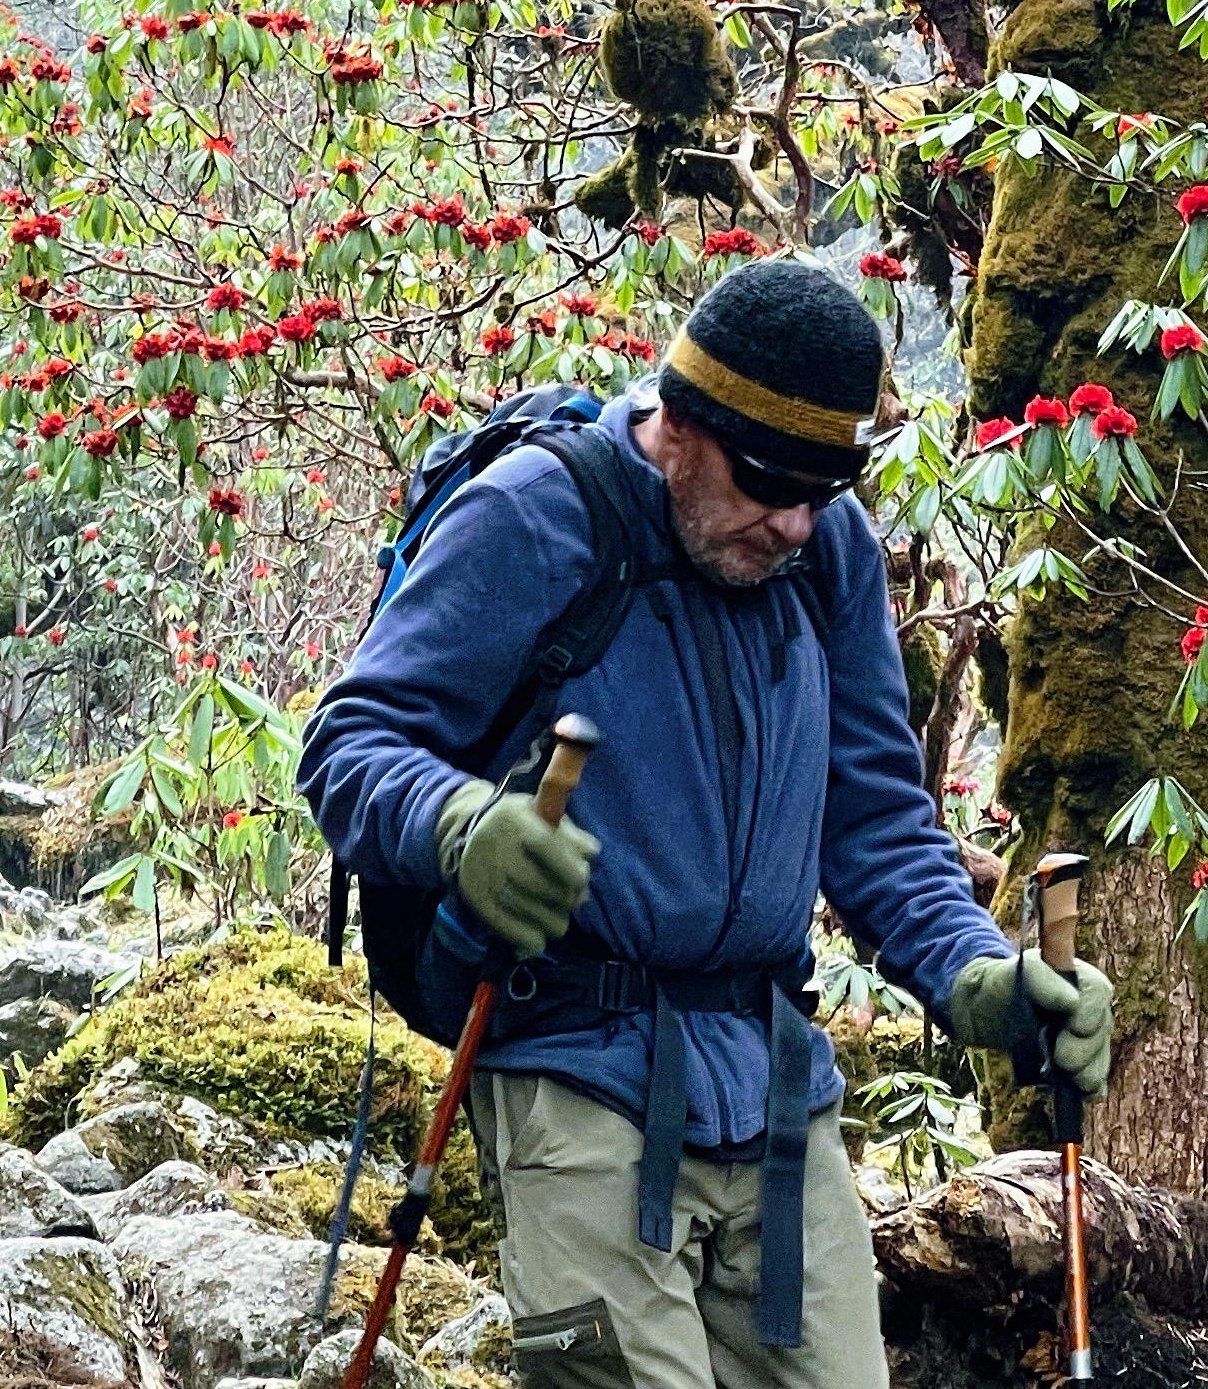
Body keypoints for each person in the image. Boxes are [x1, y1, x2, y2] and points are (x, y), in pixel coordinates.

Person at [300, 258, 1115, 1389]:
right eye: (768, 481)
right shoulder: (537, 518)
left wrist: (977, 974)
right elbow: (349, 744)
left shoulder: (823, 552)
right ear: (678, 423)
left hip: (775, 1080)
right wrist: (459, 826)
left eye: (823, 490)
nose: (791, 522)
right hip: (570, 1064)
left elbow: (875, 817)